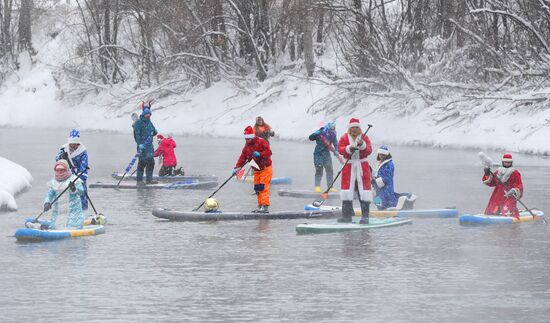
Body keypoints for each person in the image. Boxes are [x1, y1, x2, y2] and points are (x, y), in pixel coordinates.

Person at [26, 160, 86, 230]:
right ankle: (40, 227)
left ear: (66, 170)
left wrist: (74, 189)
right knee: (55, 226)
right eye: (57, 170)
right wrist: (47, 203)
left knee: (71, 227)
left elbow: (81, 191)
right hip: (58, 212)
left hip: (73, 213)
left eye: (62, 170)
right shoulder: (53, 182)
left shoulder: (74, 180)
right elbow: (49, 194)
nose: (59, 172)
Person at [337, 118, 373, 224]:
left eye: (357, 128)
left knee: (364, 192)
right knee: (347, 192)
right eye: (353, 128)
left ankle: (365, 217)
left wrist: (362, 145)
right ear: (349, 129)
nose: (354, 130)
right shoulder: (344, 138)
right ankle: (347, 217)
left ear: (359, 128)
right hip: (349, 167)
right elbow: (340, 149)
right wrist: (348, 149)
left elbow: (369, 150)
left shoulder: (364, 138)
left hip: (362, 167)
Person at [233, 126, 273, 213]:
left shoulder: (262, 141)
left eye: (249, 139)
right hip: (257, 169)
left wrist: (260, 154)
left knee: (263, 187)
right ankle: (260, 206)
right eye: (246, 139)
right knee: (257, 188)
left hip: (265, 168)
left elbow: (269, 152)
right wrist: (237, 168)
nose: (247, 141)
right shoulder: (246, 147)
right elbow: (242, 158)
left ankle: (265, 206)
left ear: (252, 137)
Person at [56, 129, 89, 212]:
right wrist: (61, 156)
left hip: (79, 174)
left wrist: (78, 179)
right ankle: (72, 212)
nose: (73, 146)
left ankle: (84, 212)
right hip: (68, 174)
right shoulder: (64, 148)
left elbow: (84, 167)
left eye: (75, 144)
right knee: (71, 193)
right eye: (72, 144)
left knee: (82, 192)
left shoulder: (83, 151)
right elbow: (57, 159)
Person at [482, 153, 523, 218]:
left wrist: (514, 190)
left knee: (507, 212)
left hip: (509, 196)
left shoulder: (515, 173)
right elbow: (491, 183)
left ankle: (511, 215)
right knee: (491, 211)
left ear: (511, 163)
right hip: (497, 196)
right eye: (505, 162)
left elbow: (519, 185)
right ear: (503, 162)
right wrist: (487, 174)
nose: (507, 163)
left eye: (508, 162)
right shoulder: (498, 172)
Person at [309, 121, 343, 193]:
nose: (332, 129)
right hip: (318, 153)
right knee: (319, 168)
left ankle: (330, 187)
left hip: (326, 153)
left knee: (329, 169)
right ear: (328, 127)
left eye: (334, 128)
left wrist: (336, 151)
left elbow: (335, 143)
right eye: (331, 128)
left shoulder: (333, 134)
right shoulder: (321, 132)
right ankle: (317, 186)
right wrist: (316, 134)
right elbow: (310, 138)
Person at [133, 107, 158, 185]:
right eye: (147, 114)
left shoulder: (149, 122)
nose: (148, 116)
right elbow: (137, 135)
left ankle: (149, 180)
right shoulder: (138, 123)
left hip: (150, 146)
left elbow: (154, 131)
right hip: (142, 147)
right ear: (143, 115)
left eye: (149, 114)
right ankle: (139, 181)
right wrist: (139, 144)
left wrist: (155, 131)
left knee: (151, 163)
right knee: (142, 163)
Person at [372, 145, 398, 210]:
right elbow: (377, 172)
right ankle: (378, 209)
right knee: (376, 197)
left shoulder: (389, 164)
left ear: (386, 154)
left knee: (385, 199)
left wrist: (376, 181)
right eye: (380, 155)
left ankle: (388, 210)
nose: (381, 156)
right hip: (377, 186)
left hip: (385, 187)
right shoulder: (379, 162)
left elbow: (388, 177)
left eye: (383, 155)